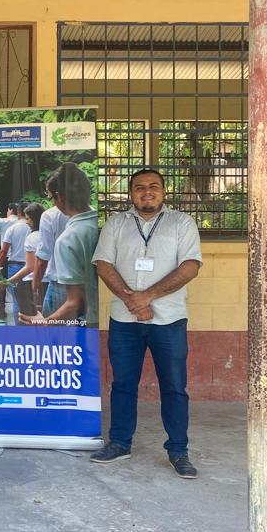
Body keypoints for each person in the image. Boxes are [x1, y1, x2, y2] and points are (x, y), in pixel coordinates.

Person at [91, 168, 203, 479]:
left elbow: (191, 266)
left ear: (164, 192)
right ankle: (120, 443)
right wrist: (131, 300)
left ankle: (178, 450)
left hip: (168, 319)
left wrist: (148, 296)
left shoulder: (182, 223)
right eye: (140, 187)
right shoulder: (116, 223)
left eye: (154, 186)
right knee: (123, 385)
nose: (147, 191)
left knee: (174, 387)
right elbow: (103, 264)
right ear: (131, 194)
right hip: (125, 320)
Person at [20, 163, 98, 327]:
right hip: (98, 309)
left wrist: (43, 322)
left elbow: (74, 302)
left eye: (50, 197)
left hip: (62, 288)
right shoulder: (102, 224)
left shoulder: (67, 239)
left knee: (58, 340)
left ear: (60, 196)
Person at [0, 202, 45, 320]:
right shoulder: (50, 235)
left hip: (26, 274)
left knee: (20, 305)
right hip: (50, 282)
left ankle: (18, 330)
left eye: (29, 219)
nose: (27, 222)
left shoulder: (29, 236)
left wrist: (6, 281)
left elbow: (29, 267)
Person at [32, 198, 70, 317]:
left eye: (49, 194)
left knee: (52, 329)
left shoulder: (50, 215)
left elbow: (43, 257)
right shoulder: (90, 215)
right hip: (86, 284)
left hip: (59, 282)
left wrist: (35, 289)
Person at [0, 202, 30, 322]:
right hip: (31, 267)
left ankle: (18, 327)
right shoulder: (34, 227)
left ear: (19, 212)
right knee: (31, 299)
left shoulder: (12, 228)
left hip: (15, 266)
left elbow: (3, 251)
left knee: (16, 299)